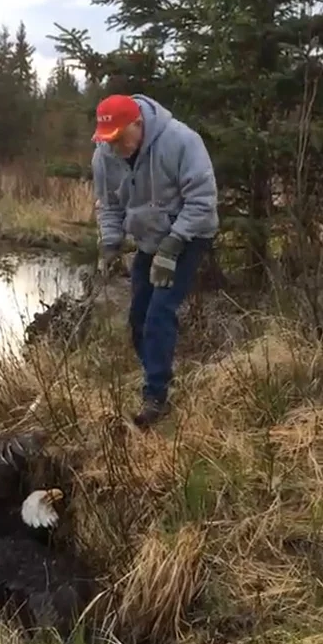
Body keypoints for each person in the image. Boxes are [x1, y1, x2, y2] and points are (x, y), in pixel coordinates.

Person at [91, 93, 219, 429]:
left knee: (160, 311)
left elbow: (202, 200)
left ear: (138, 123)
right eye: (109, 140)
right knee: (137, 316)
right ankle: (156, 372)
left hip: (189, 235)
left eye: (121, 138)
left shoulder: (181, 141)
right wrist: (109, 244)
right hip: (150, 238)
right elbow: (109, 205)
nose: (116, 147)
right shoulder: (105, 155)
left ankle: (156, 397)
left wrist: (173, 246)